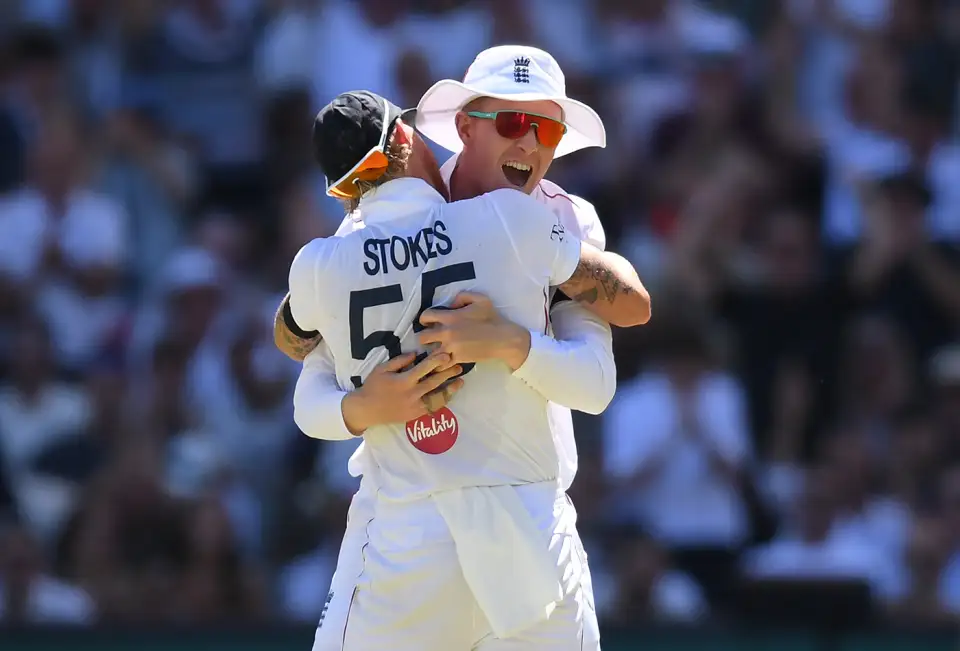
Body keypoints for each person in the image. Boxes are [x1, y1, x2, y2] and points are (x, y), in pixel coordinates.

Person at [290, 89, 647, 651]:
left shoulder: (317, 263)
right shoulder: (513, 217)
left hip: (404, 540)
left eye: (544, 130)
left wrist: (364, 407)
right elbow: (632, 302)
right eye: (510, 122)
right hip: (528, 532)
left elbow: (297, 365)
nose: (526, 141)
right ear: (409, 137)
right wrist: (515, 342)